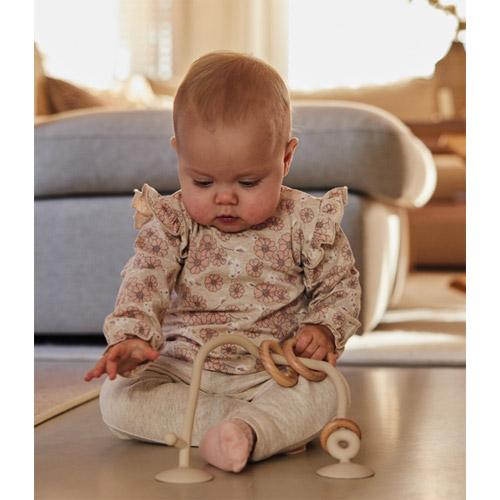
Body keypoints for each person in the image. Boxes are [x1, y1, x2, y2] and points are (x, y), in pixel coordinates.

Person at [84, 51, 361, 473]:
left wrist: (324, 327)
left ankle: (251, 426)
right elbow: (145, 278)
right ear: (179, 155)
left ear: (286, 159)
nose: (225, 197)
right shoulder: (173, 222)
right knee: (118, 398)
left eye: (248, 182)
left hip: (271, 372)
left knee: (328, 393)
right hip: (182, 369)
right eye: (203, 181)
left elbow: (339, 284)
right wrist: (132, 335)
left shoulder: (306, 223)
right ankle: (257, 429)